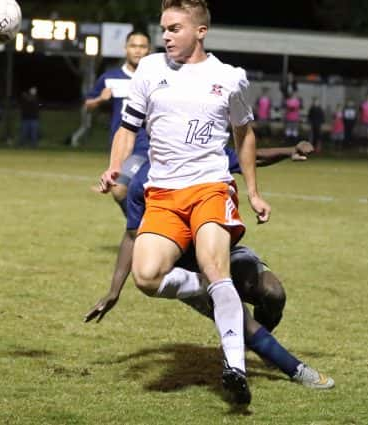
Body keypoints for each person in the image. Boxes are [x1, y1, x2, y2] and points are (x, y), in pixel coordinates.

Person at [98, 0, 271, 405]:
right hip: (163, 193)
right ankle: (217, 288)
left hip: (210, 188)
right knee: (146, 277)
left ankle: (234, 367)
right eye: (164, 28)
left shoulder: (229, 78)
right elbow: (128, 127)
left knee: (214, 263)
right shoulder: (151, 69)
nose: (166, 36)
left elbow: (244, 136)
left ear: (201, 31)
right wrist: (114, 167)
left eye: (175, 28)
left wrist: (254, 191)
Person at [85, 143, 334, 391]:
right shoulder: (146, 179)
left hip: (221, 251)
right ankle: (296, 369)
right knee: (240, 318)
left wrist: (289, 151)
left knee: (274, 293)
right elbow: (132, 236)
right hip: (189, 269)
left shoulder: (206, 154)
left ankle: (249, 344)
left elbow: (252, 156)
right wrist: (114, 290)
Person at [85, 31, 151, 215]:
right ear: (125, 48)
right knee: (125, 191)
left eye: (142, 46)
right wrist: (100, 99)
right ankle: (143, 230)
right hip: (121, 148)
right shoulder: (110, 77)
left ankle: (140, 231)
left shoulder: (154, 79)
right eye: (133, 46)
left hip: (145, 147)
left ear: (149, 50)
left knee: (119, 188)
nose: (138, 51)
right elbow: (88, 105)